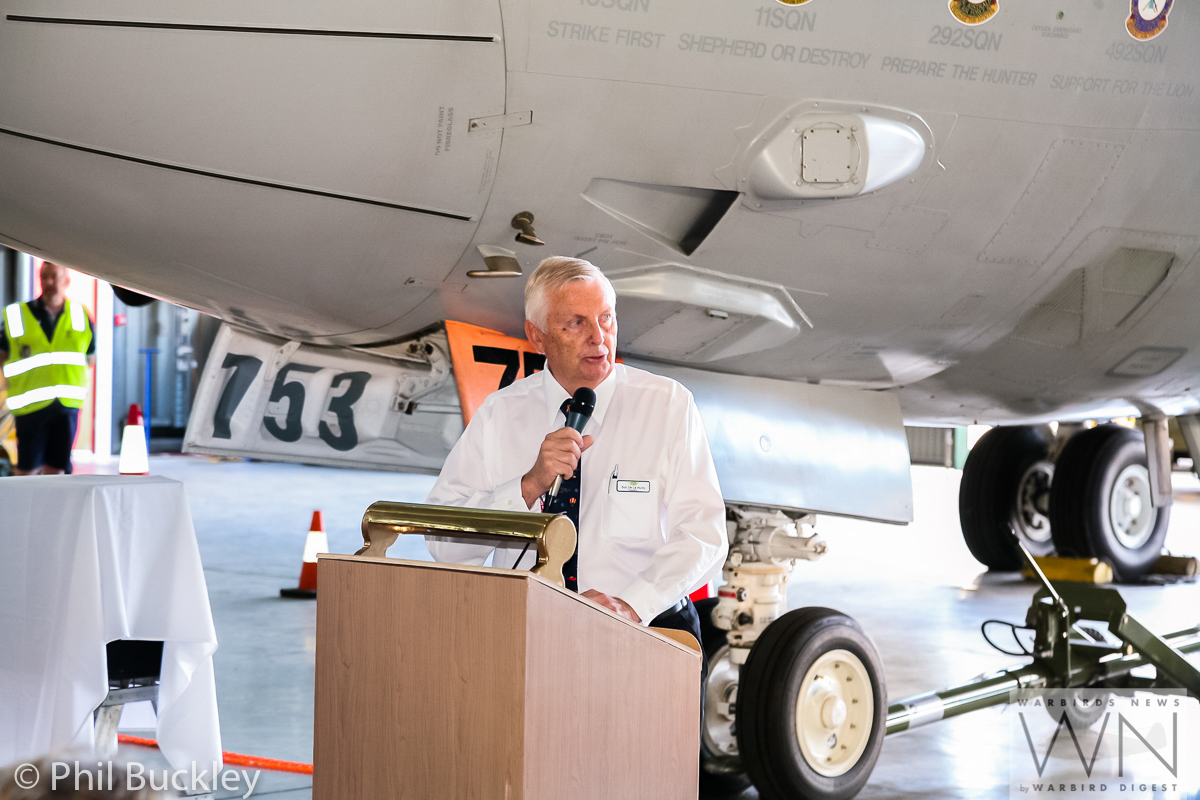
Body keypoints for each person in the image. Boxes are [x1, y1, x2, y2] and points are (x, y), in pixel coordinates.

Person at [426, 256, 727, 653]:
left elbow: (704, 534)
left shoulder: (668, 405)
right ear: (537, 336)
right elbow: (444, 543)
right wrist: (528, 486)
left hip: (648, 633)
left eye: (606, 319)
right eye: (576, 323)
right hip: (528, 637)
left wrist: (631, 606)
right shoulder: (501, 413)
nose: (599, 339)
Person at [0, 262, 95, 475]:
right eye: (45, 277)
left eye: (55, 276)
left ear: (66, 281)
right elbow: (2, 355)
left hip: (66, 405)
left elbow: (90, 358)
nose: (50, 282)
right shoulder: (16, 315)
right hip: (29, 407)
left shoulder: (81, 315)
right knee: (27, 470)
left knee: (58, 471)